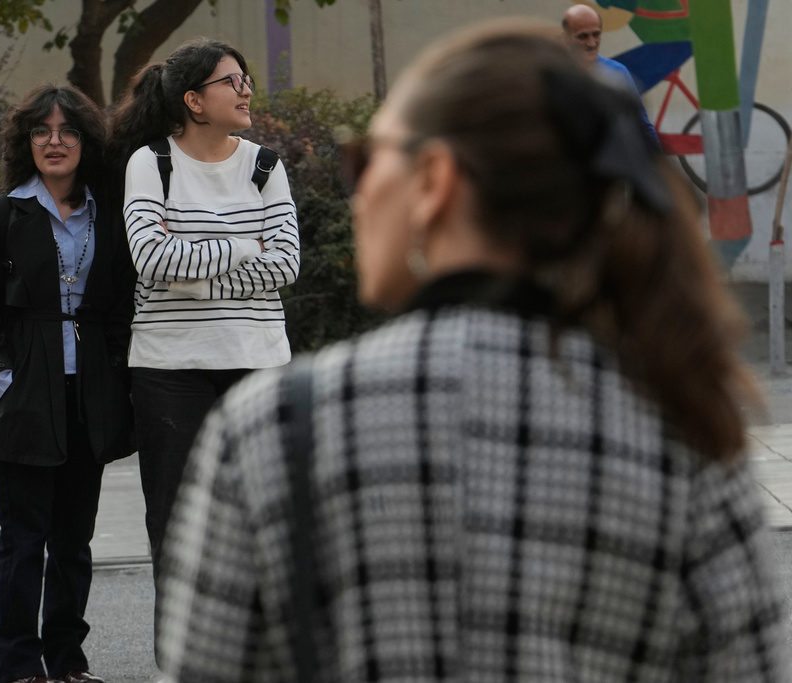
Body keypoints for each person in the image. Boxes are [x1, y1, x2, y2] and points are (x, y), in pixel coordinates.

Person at [153, 20, 789, 682]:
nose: (359, 191)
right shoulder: (689, 433)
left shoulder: (274, 427)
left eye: (365, 160)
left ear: (434, 181)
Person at [105, 38, 300, 662]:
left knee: (268, 527)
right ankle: (183, 669)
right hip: (169, 369)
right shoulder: (149, 164)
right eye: (231, 81)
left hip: (260, 365)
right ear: (193, 100)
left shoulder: (266, 166)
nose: (246, 90)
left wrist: (197, 260)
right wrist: (246, 247)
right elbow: (152, 260)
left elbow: (288, 264)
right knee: (177, 530)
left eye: (246, 79)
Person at [0, 85, 136, 683]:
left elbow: (118, 308)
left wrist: (111, 369)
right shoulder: (3, 214)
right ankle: (17, 664)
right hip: (26, 393)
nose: (54, 142)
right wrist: (4, 378)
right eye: (42, 131)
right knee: (23, 540)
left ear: (86, 144)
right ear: (26, 142)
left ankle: (66, 662)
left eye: (67, 132)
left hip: (88, 393)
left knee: (74, 541)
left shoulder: (106, 217)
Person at [563, 3, 661, 148]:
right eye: (583, 36)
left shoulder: (617, 71)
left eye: (596, 34)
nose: (591, 43)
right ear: (567, 38)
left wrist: (657, 162)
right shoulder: (555, 72)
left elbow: (641, 125)